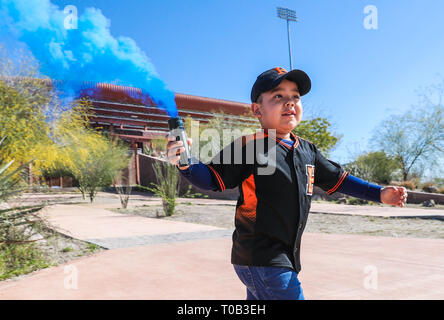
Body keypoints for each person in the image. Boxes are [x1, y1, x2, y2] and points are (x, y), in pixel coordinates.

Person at [166, 67, 408, 300]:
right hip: (261, 258)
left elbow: (340, 180)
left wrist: (380, 194)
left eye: (295, 96)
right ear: (257, 110)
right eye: (278, 96)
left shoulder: (308, 150)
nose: (289, 102)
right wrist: (186, 162)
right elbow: (211, 178)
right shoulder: (249, 147)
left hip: (282, 260)